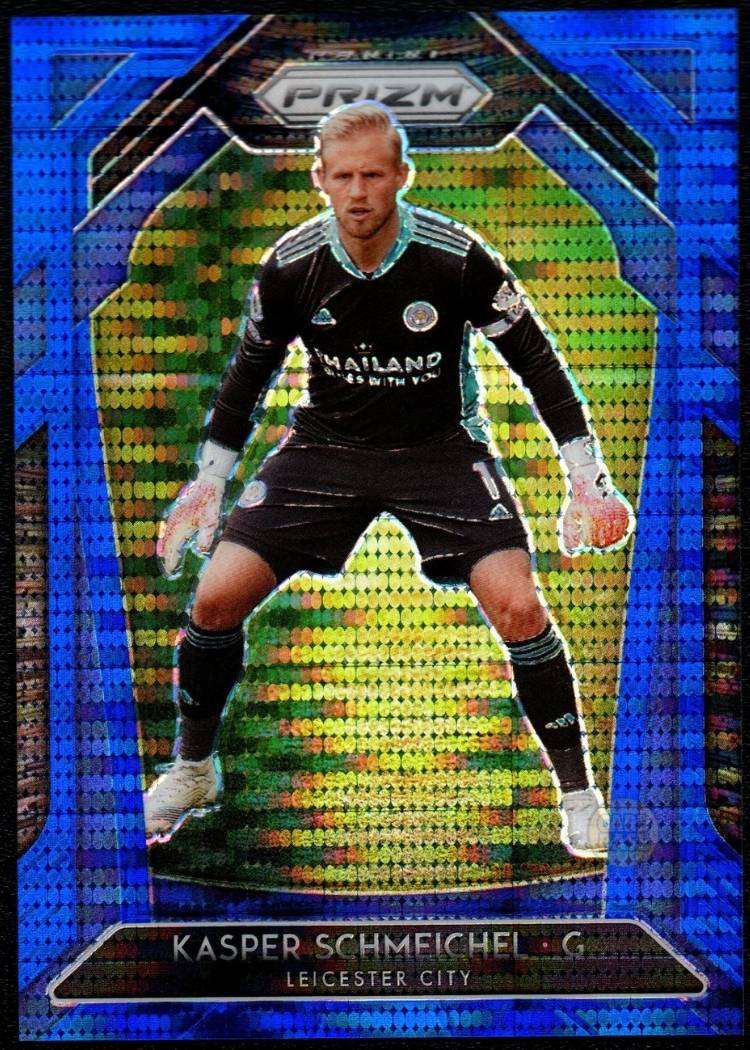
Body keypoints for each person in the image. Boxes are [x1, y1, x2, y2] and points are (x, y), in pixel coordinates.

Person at [148, 101, 633, 860]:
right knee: (214, 598)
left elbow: (538, 363)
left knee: (519, 606)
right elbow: (247, 376)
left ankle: (578, 795)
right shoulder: (290, 266)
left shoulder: (453, 257)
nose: (359, 192)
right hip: (327, 449)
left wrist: (588, 479)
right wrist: (208, 482)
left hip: (440, 450)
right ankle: (193, 770)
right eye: (343, 176)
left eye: (373, 175)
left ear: (402, 176)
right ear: (320, 179)